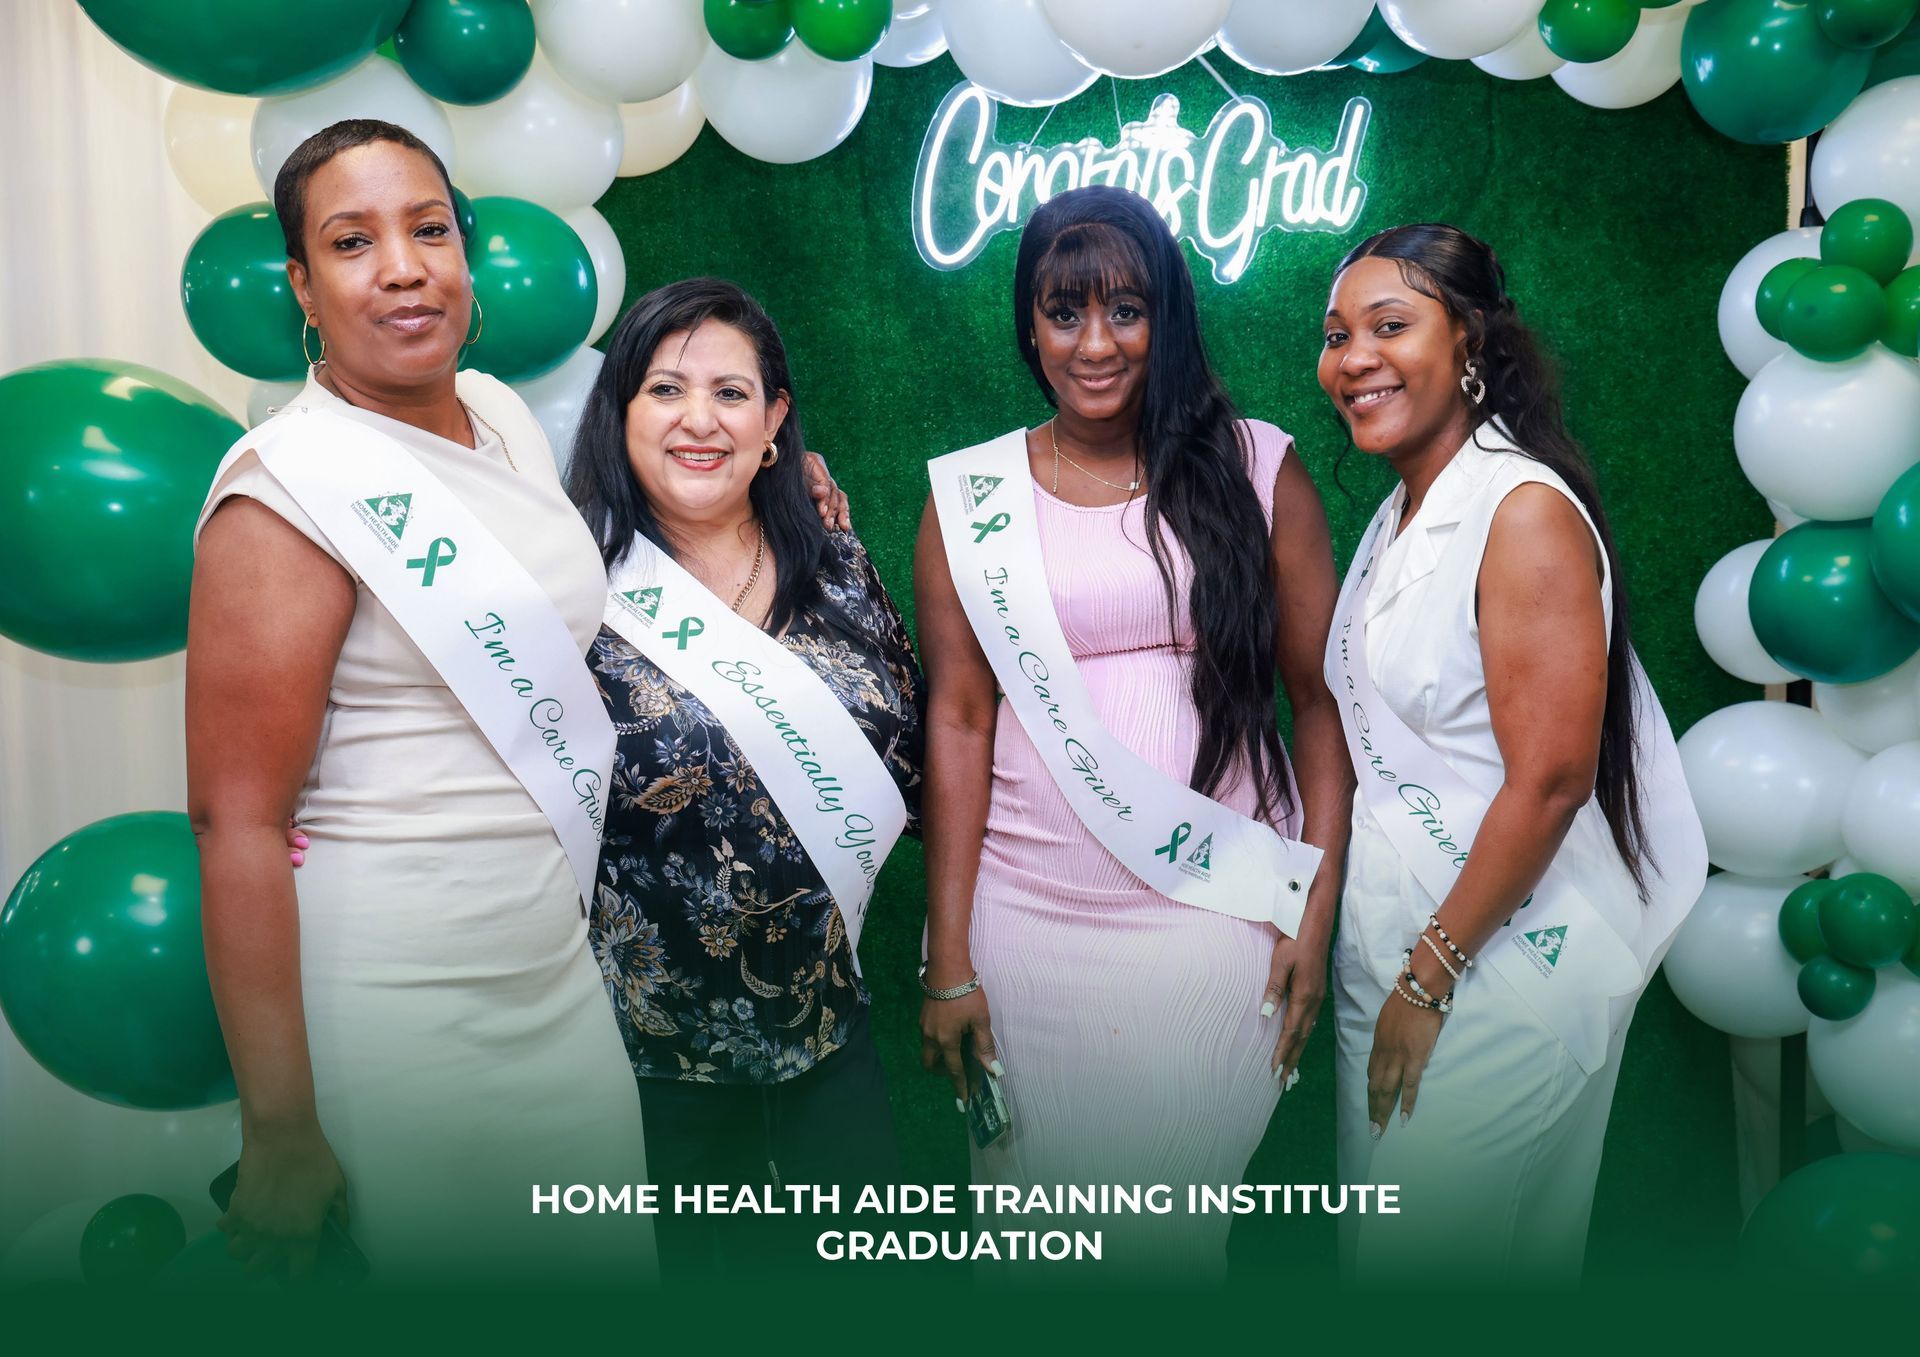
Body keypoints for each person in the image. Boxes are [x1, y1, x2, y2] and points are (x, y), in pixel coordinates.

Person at [187, 119, 654, 1285]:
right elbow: (235, 822)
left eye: (429, 229)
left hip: (555, 981)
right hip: (398, 1011)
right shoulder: (286, 494)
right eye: (353, 242)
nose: (403, 266)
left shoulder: (497, 414)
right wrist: (280, 1133)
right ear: (303, 284)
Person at [914, 184, 1351, 1274]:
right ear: (1030, 324)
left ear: (1169, 318)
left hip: (1217, 923)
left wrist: (1313, 911)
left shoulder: (1258, 465)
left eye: (1126, 309)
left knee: (1170, 1240)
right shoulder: (969, 496)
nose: (1095, 344)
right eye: (1066, 313)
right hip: (1023, 931)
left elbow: (1322, 706)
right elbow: (960, 722)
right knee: (1032, 1243)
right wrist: (951, 960)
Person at [1317, 224, 1706, 1285]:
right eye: (1338, 334)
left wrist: (1429, 979)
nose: (1354, 358)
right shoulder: (1400, 516)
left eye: (1391, 326)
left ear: (1471, 341)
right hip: (1401, 957)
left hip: (1502, 971)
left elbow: (1550, 780)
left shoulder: (1521, 509)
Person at [567, 278, 923, 1276]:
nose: (699, 420)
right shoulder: (571, 586)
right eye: (665, 389)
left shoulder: (838, 564)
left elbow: (914, 761)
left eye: (731, 393)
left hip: (828, 1044)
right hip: (648, 1072)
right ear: (621, 415)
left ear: (775, 425)